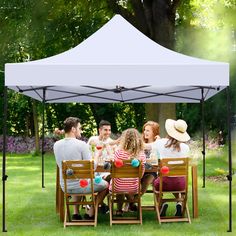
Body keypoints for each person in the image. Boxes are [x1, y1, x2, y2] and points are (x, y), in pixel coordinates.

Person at [54, 117, 108, 220]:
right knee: (106, 185)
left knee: (78, 178)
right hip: (81, 185)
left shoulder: (56, 145)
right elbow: (92, 167)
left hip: (65, 186)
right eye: (80, 128)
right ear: (73, 129)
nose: (81, 130)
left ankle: (76, 213)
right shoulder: (81, 145)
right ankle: (91, 211)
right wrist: (97, 155)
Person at [153, 119, 190, 217]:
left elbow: (151, 149)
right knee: (175, 180)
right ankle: (180, 204)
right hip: (181, 184)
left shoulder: (161, 143)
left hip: (164, 183)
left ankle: (161, 204)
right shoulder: (186, 148)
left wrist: (158, 141)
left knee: (156, 182)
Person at [109, 128, 146, 216]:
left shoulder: (119, 153)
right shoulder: (141, 155)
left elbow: (113, 172)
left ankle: (119, 210)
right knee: (125, 183)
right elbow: (141, 175)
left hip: (117, 187)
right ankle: (132, 203)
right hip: (134, 187)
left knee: (118, 182)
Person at [141, 121, 160, 195]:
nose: (145, 132)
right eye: (145, 130)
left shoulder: (158, 144)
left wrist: (158, 142)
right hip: (139, 170)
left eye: (148, 130)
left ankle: (133, 201)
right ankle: (131, 203)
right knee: (133, 182)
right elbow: (143, 146)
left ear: (154, 132)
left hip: (152, 171)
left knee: (147, 180)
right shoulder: (142, 143)